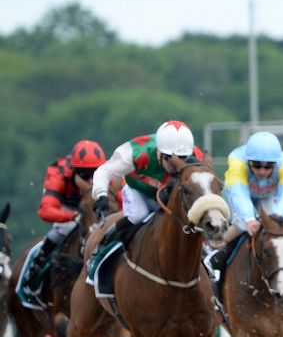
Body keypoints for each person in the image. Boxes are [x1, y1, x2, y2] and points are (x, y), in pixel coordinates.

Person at [88, 120, 205, 263]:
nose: (175, 164)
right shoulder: (138, 152)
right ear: (158, 152)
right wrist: (101, 195)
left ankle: (207, 259)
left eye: (182, 158)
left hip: (170, 195)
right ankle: (103, 246)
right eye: (169, 158)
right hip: (139, 191)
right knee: (138, 215)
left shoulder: (196, 159)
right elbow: (104, 171)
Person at [22, 139, 108, 288]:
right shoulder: (58, 175)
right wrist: (70, 216)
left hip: (92, 203)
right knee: (63, 229)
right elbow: (45, 210)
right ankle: (36, 266)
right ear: (73, 171)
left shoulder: (108, 174)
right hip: (68, 206)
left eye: (94, 174)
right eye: (84, 175)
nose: (90, 180)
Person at [208, 131, 283, 273]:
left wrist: (278, 217)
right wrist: (249, 219)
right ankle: (217, 247)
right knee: (242, 224)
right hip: (243, 194)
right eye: (256, 165)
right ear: (248, 161)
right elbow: (238, 192)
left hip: (267, 197)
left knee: (276, 226)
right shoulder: (237, 160)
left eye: (268, 166)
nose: (262, 171)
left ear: (276, 163)